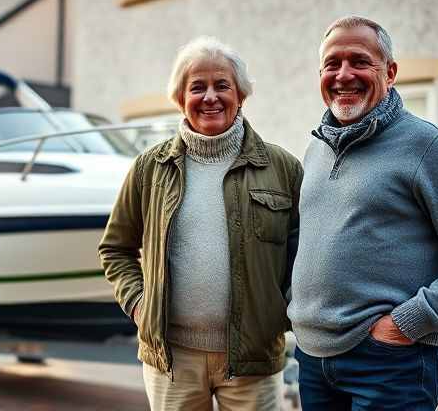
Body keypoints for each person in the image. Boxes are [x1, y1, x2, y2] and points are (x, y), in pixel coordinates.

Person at [288, 15, 438, 410]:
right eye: (332, 63)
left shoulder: (430, 146)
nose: (344, 74)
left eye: (359, 61)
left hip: (390, 363)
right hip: (313, 360)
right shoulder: (317, 149)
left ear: (390, 72)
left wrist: (405, 324)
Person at [98, 36, 302, 410]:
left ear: (241, 95)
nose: (210, 96)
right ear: (180, 99)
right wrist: (140, 306)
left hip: (253, 360)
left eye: (222, 85)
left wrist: (283, 313)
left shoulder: (282, 168)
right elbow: (115, 249)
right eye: (197, 87)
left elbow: (302, 254)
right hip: (172, 361)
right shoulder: (149, 168)